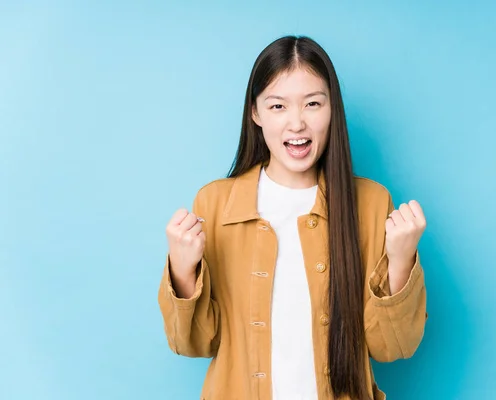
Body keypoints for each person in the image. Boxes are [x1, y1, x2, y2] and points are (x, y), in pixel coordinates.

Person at [158, 35, 428, 400]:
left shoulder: (370, 203)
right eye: (277, 106)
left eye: (313, 103)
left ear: (333, 109)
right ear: (255, 113)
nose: (297, 123)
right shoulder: (215, 204)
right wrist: (182, 271)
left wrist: (401, 261)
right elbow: (193, 343)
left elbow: (391, 347)